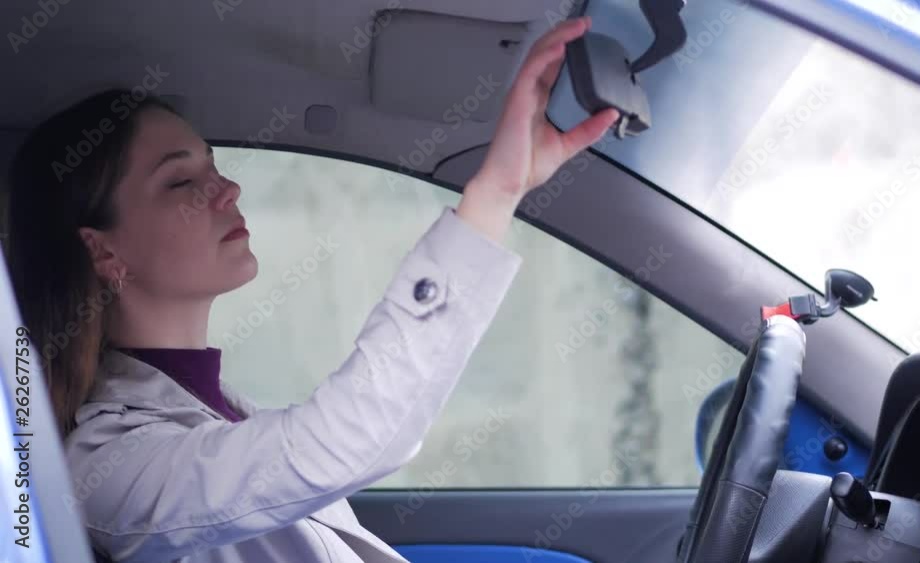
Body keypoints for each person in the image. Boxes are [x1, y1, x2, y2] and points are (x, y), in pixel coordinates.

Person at [3, 17, 619, 563]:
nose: (227, 190)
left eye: (214, 166)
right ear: (103, 249)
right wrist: (495, 193)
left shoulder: (215, 408)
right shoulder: (107, 467)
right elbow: (334, 443)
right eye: (180, 181)